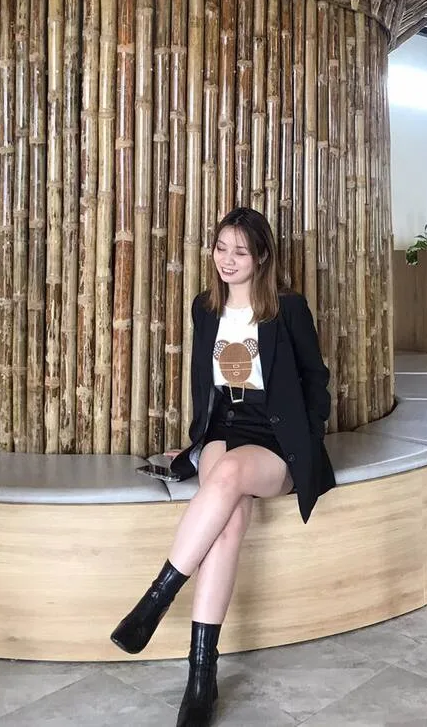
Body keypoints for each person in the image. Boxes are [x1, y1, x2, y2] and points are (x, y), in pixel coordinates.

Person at [111, 206, 335, 726]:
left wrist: (307, 440)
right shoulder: (205, 308)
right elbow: (204, 385)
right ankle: (201, 678)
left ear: (261, 257)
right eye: (220, 248)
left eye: (240, 251)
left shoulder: (288, 309)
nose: (228, 260)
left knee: (231, 475)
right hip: (224, 430)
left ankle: (157, 598)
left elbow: (316, 381)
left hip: (275, 440)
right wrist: (194, 442)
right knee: (229, 521)